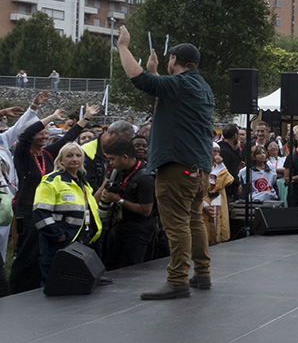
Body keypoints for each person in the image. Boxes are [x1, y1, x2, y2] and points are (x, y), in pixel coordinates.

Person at [117, 24, 215, 299]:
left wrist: (123, 47)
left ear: (174, 59)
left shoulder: (182, 84)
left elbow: (141, 80)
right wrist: (156, 72)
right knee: (194, 221)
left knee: (177, 224)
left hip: (176, 167)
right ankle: (202, 274)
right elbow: (167, 97)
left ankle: (177, 280)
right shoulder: (201, 86)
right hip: (198, 168)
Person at [9, 101, 96, 295]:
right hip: (28, 209)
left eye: (47, 132)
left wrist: (86, 118)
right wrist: (50, 118)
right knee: (26, 252)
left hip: (48, 210)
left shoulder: (47, 154)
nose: (44, 135)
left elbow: (68, 138)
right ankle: (17, 290)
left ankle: (38, 285)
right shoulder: (23, 154)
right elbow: (25, 135)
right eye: (40, 132)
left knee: (41, 251)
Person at [33, 142, 101, 286]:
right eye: (69, 156)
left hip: (81, 241)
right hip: (57, 244)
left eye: (78, 155)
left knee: (75, 285)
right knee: (54, 284)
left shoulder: (83, 183)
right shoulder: (51, 181)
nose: (74, 158)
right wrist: (58, 235)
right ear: (61, 160)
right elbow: (40, 212)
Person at [96, 139, 157, 271]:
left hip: (138, 231)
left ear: (125, 157)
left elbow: (146, 210)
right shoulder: (119, 172)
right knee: (112, 266)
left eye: (112, 159)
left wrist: (118, 200)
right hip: (120, 228)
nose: (111, 163)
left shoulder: (145, 178)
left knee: (132, 269)